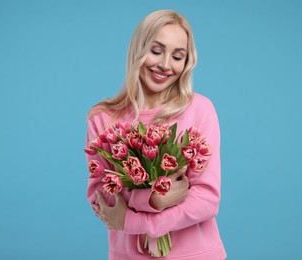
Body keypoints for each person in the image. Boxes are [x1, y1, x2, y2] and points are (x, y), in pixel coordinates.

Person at [85, 10, 227, 259]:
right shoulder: (103, 117)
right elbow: (100, 194)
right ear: (138, 50)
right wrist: (153, 198)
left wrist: (136, 220)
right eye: (156, 50)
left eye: (177, 56)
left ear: (186, 62)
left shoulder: (200, 110)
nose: (165, 64)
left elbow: (206, 199)